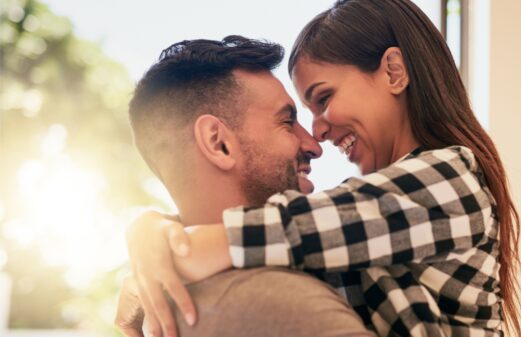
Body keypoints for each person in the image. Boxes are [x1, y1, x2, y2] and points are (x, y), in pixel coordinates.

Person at [124, 0, 521, 336]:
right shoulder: (364, 218)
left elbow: (302, 229)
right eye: (294, 117)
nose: (316, 134)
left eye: (323, 98)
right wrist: (154, 230)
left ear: (393, 72)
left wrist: (178, 244)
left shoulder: (455, 177)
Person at [115, 35, 375, 337]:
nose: (313, 144)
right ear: (218, 143)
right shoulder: (284, 304)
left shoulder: (155, 311)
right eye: (286, 121)